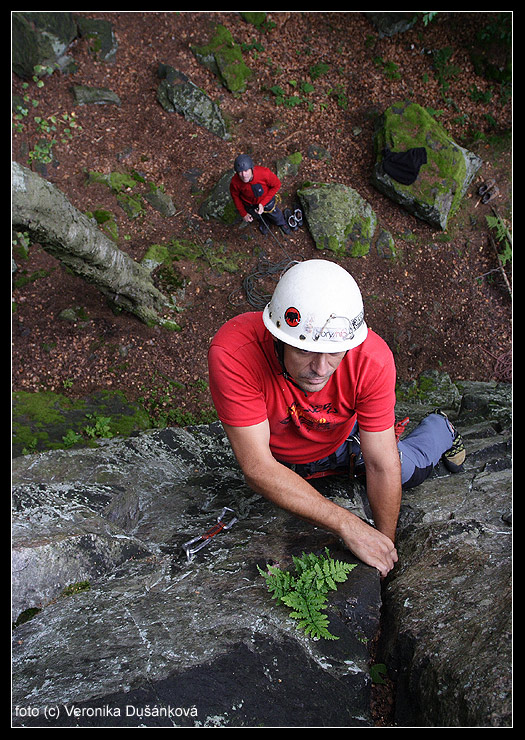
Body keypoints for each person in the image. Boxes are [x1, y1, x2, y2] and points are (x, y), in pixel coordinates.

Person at [207, 260, 465, 577]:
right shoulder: (236, 352)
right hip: (280, 459)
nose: (321, 368)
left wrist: (383, 548)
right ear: (278, 339)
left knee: (405, 471)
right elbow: (258, 467)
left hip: (345, 443)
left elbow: (381, 463)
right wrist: (348, 524)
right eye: (304, 351)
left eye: (335, 352)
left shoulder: (371, 359)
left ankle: (441, 429)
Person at [230, 154, 291, 236]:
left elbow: (277, 185)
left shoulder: (264, 173)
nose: (244, 175)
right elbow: (235, 196)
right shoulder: (235, 182)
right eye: (240, 172)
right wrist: (243, 213)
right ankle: (265, 222)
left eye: (246, 171)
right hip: (250, 205)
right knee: (259, 216)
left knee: (275, 214)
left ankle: (281, 223)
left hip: (267, 201)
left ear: (251, 169)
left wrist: (263, 203)